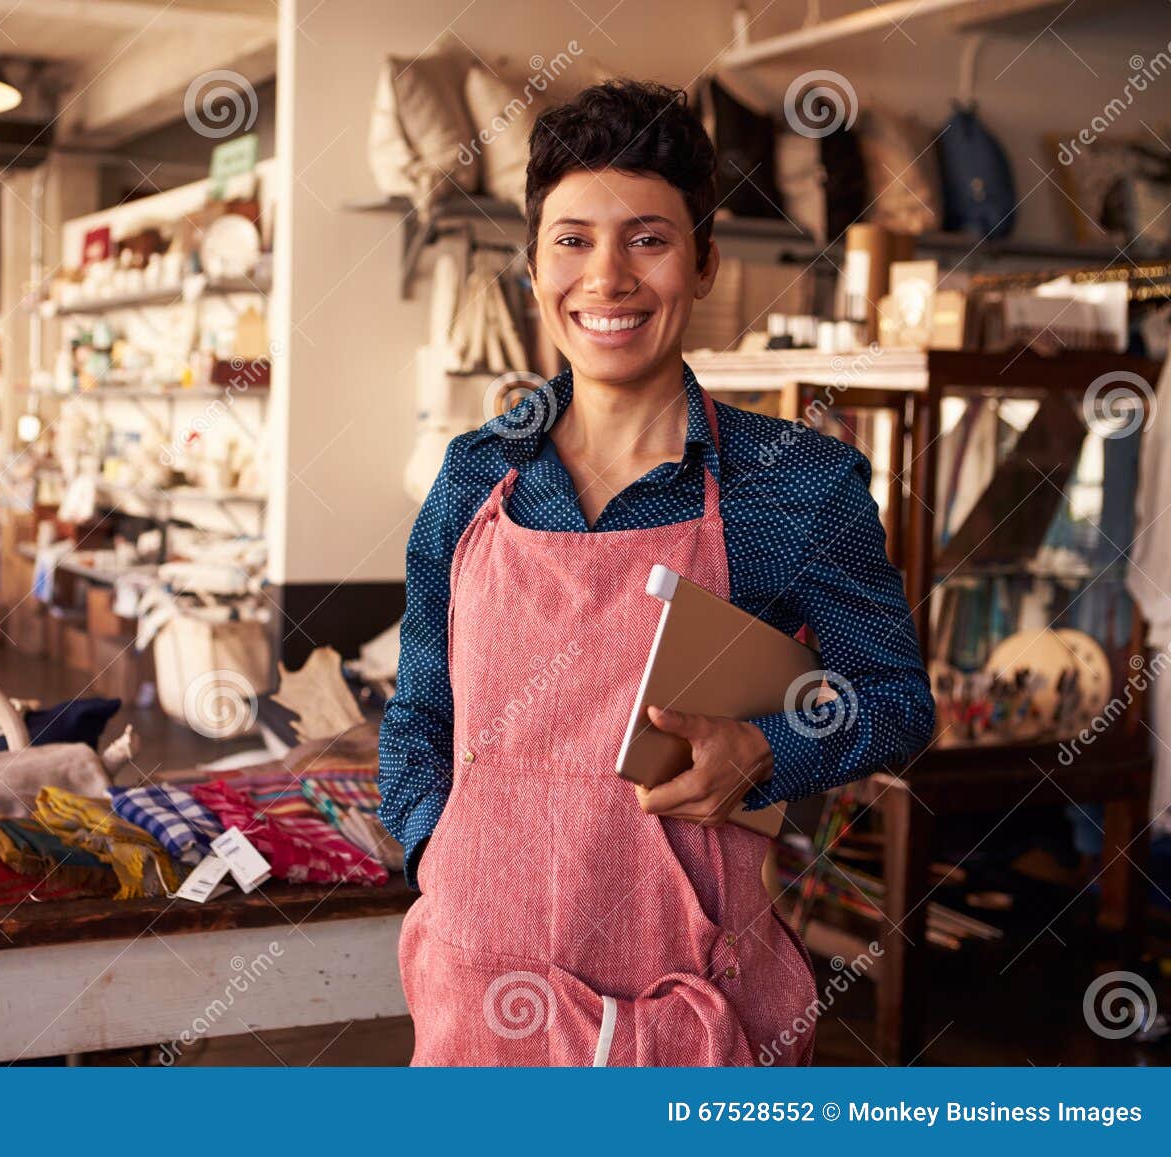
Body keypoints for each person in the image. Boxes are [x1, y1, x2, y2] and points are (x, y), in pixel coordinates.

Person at [377, 79, 934, 1066]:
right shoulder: (474, 476)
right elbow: (418, 715)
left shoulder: (795, 484)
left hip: (689, 1011)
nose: (606, 276)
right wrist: (442, 857)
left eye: (647, 238)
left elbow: (894, 699)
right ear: (534, 262)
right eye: (572, 239)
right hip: (479, 1001)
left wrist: (766, 747)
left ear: (705, 263)